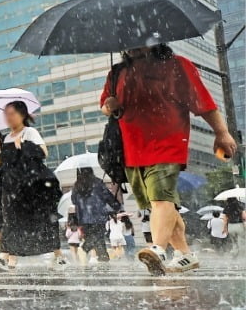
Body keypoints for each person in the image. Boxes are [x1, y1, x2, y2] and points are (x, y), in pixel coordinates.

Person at [100, 44, 238, 275]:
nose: (134, 45)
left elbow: (203, 103)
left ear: (155, 39)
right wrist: (109, 106)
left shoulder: (177, 66)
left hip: (167, 143)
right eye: (129, 40)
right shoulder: (116, 73)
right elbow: (105, 106)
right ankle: (186, 255)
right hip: (132, 150)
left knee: (160, 199)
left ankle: (158, 250)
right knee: (161, 206)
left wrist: (221, 133)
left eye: (139, 38)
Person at [0, 101, 67, 272]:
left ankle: (59, 255)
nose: (8, 118)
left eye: (12, 113)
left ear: (22, 115)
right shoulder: (6, 138)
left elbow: (43, 152)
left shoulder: (30, 132)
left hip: (32, 187)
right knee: (11, 221)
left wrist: (23, 146)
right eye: (6, 114)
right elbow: (7, 165)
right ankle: (5, 258)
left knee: (43, 221)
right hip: (13, 187)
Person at [71, 167, 117, 265]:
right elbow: (107, 196)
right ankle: (84, 249)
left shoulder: (77, 185)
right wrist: (116, 206)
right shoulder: (98, 182)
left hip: (83, 217)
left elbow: (74, 200)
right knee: (97, 236)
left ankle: (103, 258)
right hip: (98, 215)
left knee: (97, 238)